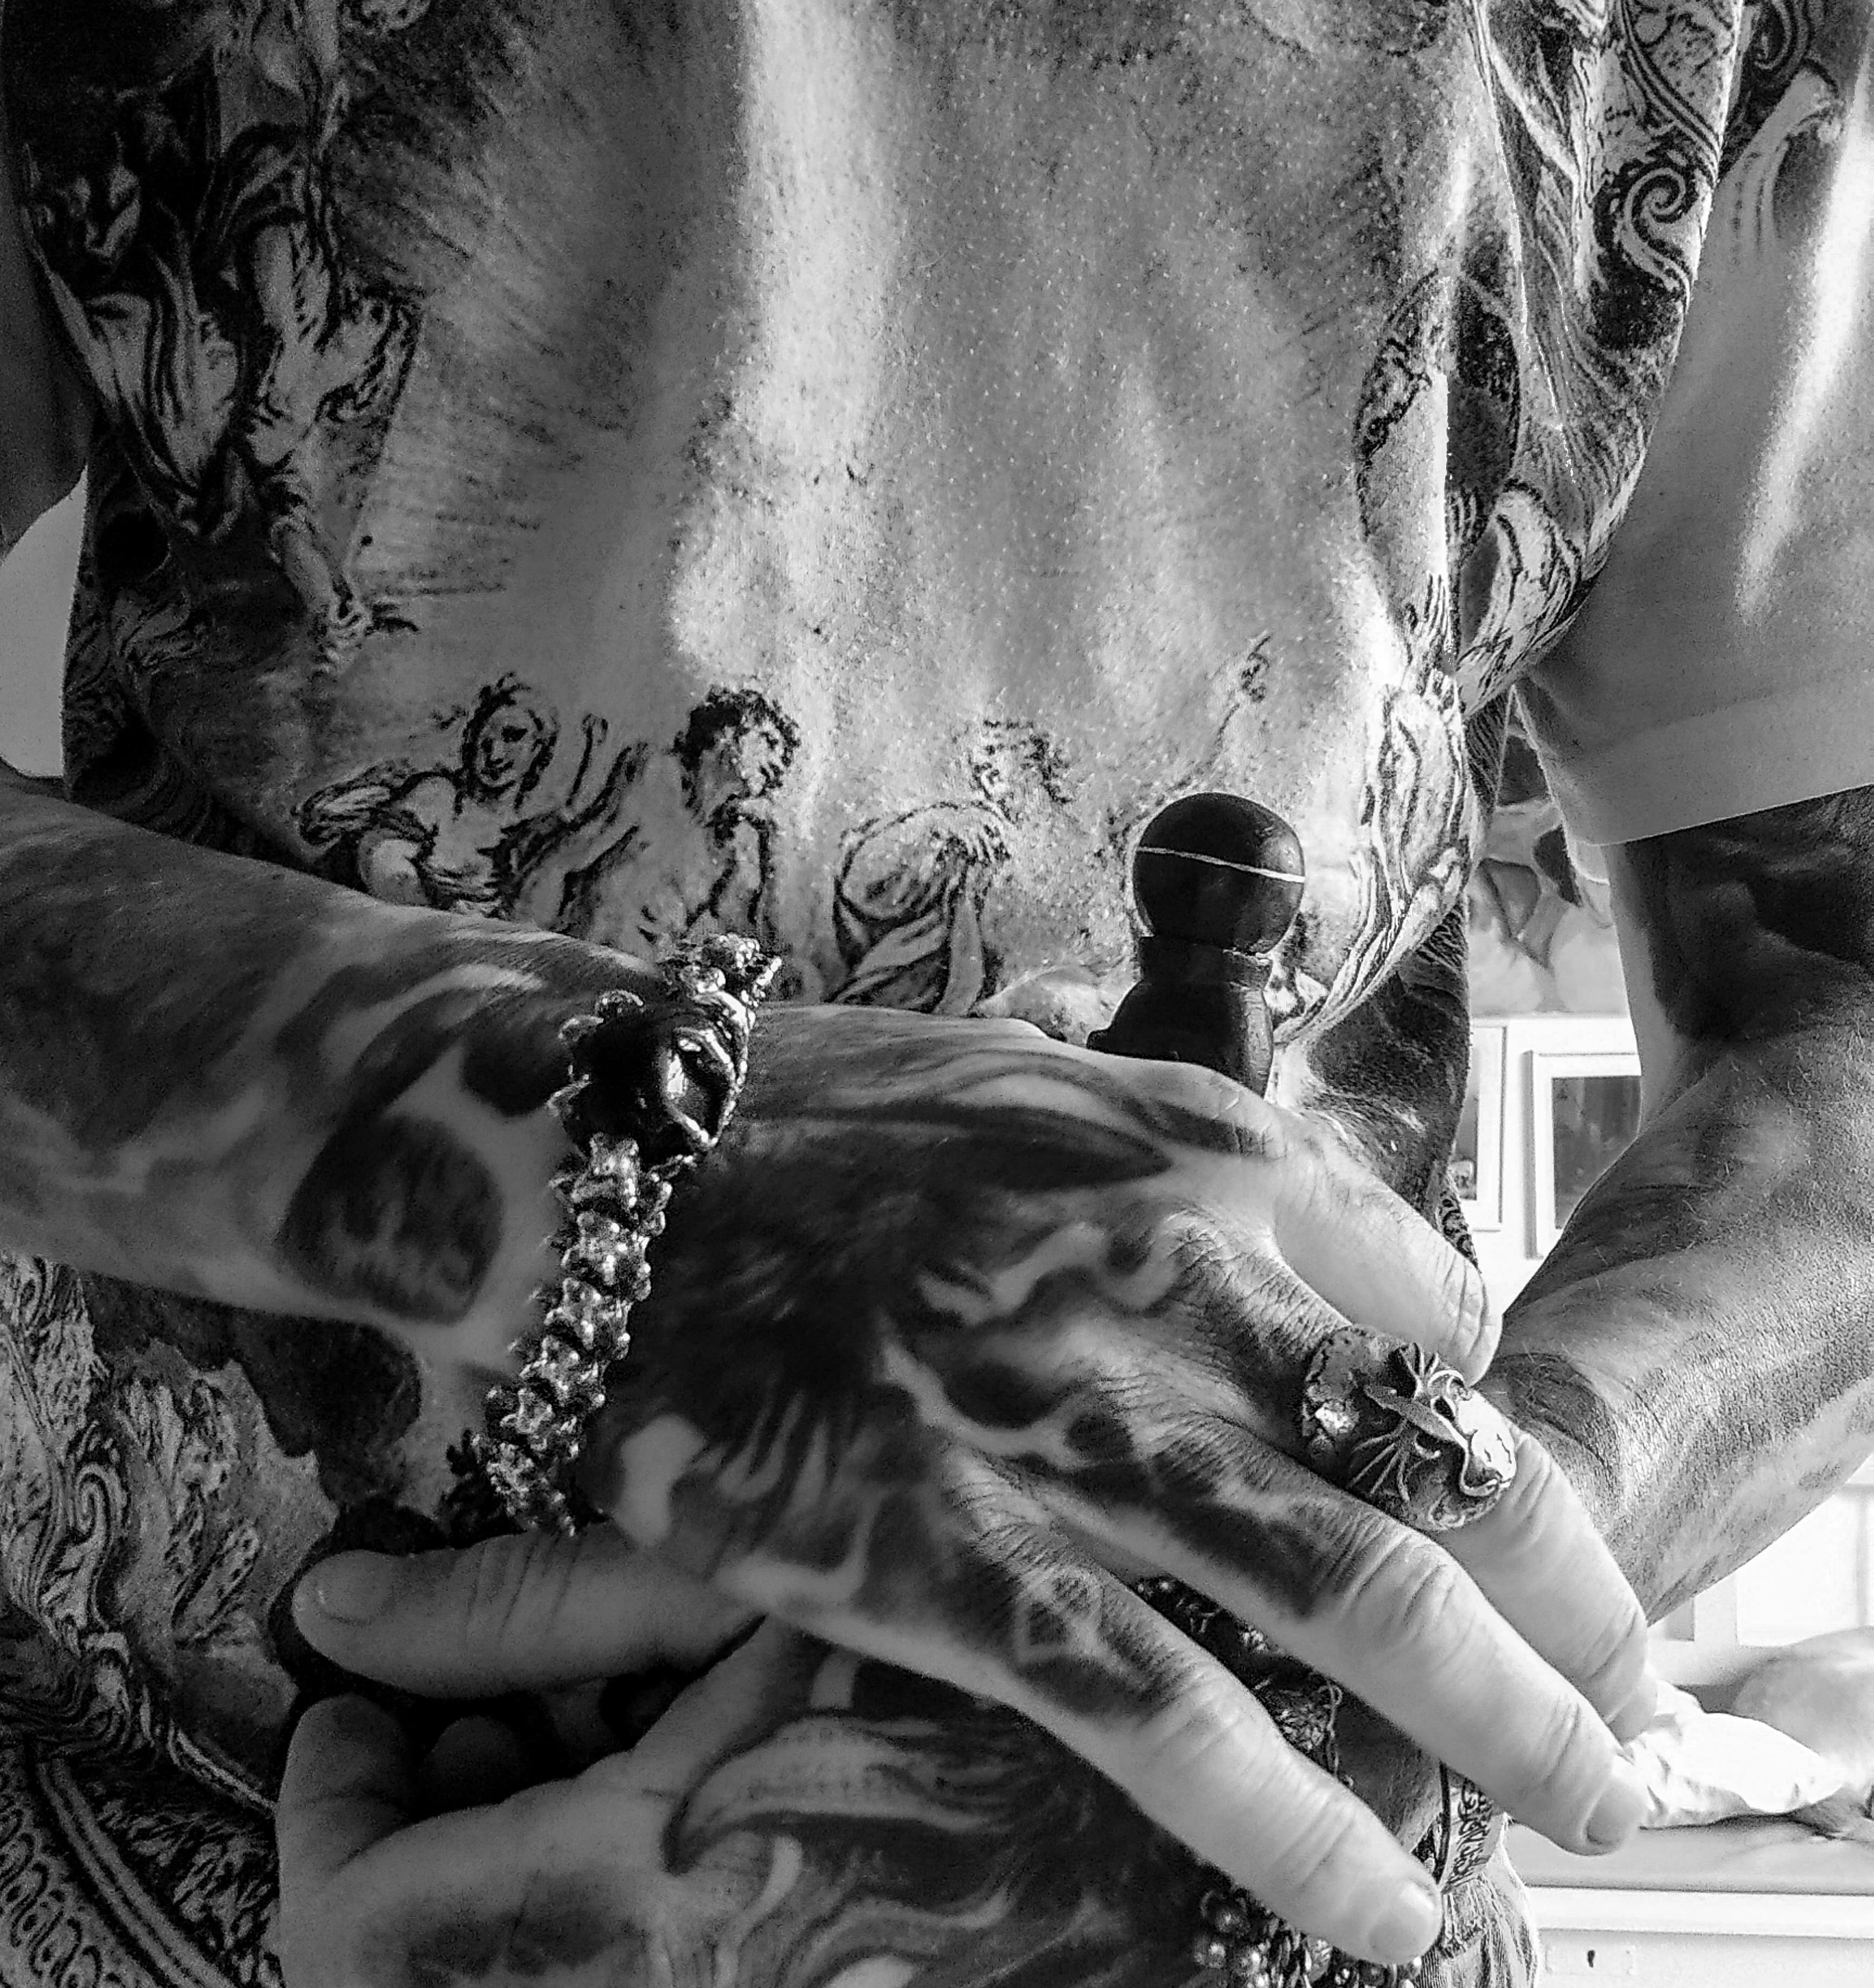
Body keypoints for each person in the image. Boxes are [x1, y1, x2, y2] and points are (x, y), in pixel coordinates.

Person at [1, 3, 1872, 1985]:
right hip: (242, 1848)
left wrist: (1403, 1588)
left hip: (1283, 1889)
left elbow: (1836, 1004)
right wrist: (614, 1163)